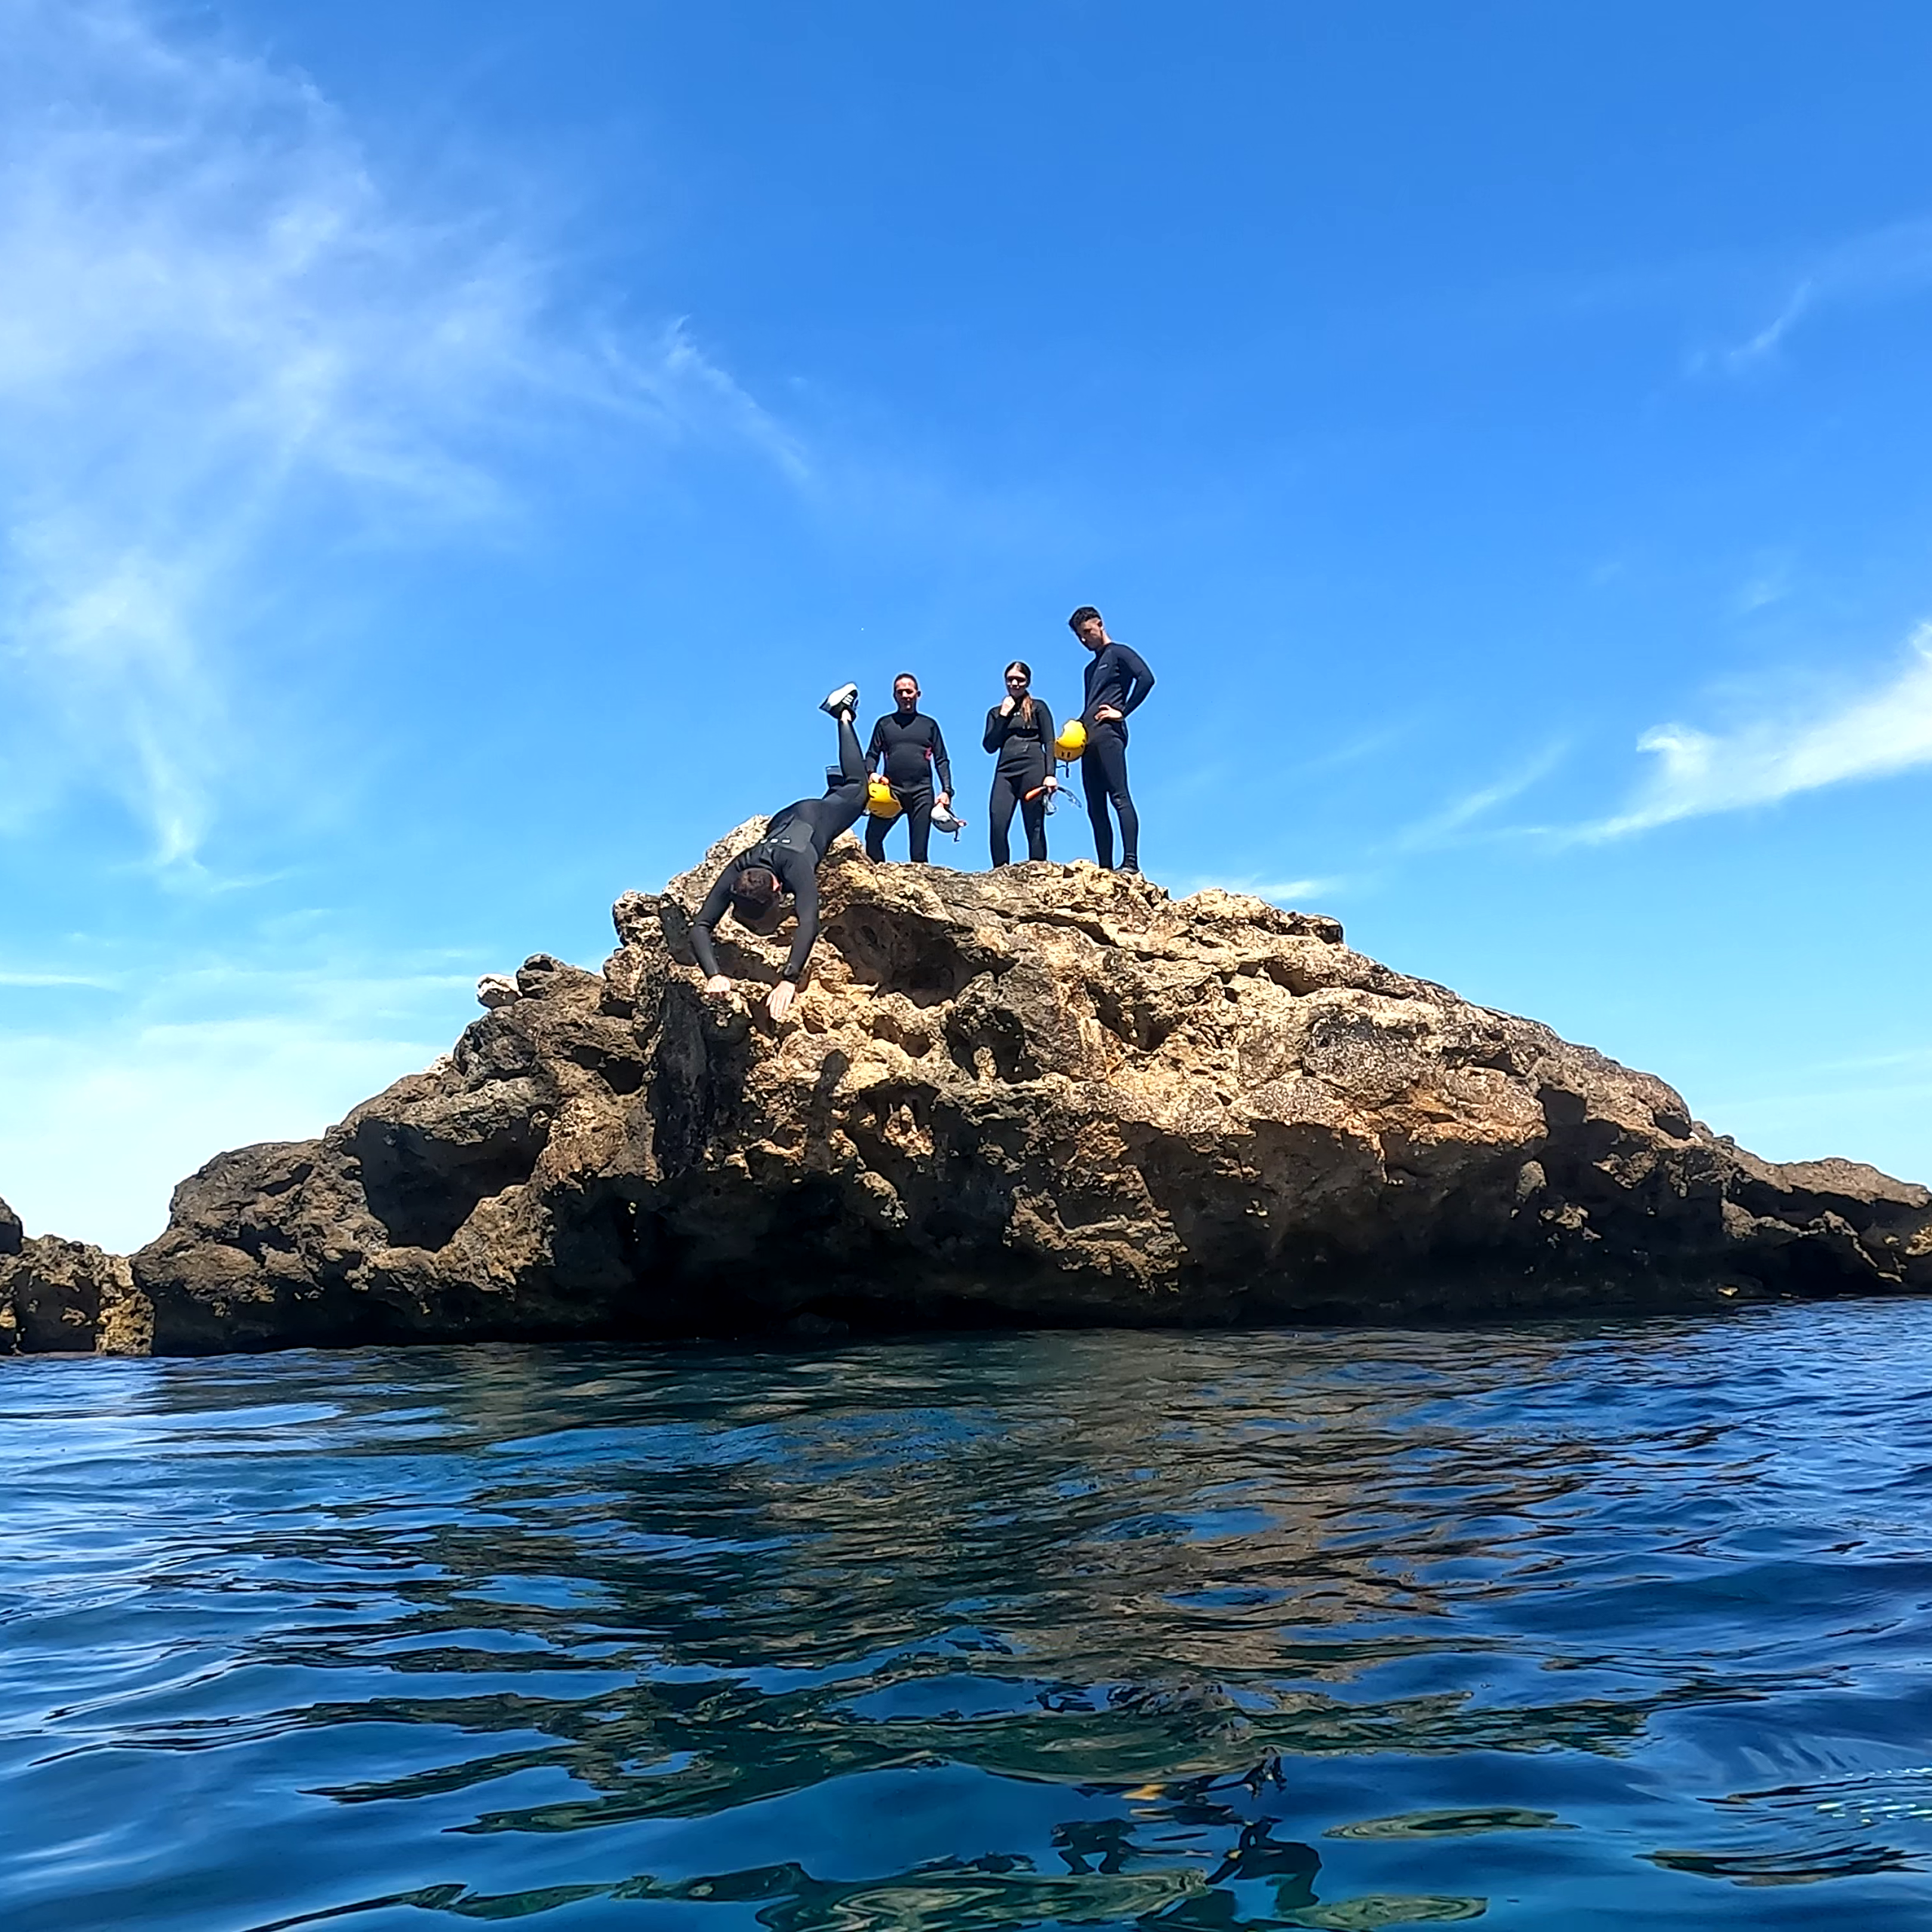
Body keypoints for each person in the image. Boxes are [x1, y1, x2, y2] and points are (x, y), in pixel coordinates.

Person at [690, 682, 867, 1022]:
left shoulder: (796, 866)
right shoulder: (738, 870)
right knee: (836, 797)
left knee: (858, 790)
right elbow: (700, 926)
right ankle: (833, 786)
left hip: (814, 817)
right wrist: (713, 975)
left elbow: (809, 921)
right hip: (784, 818)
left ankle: (842, 715)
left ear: (776, 888)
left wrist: (788, 979)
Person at [1069, 605, 1155, 874]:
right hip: (1088, 740)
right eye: (1079, 637)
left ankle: (1130, 862)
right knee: (1095, 806)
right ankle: (1105, 867)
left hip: (1110, 734)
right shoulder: (1089, 669)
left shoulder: (1119, 653)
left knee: (1119, 796)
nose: (1084, 640)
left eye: (1087, 632)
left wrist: (1123, 711)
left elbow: (1146, 679)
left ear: (1100, 625)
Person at [863, 673, 954, 863]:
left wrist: (946, 791)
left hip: (921, 792)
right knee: (872, 838)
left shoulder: (929, 725)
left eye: (909, 691)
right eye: (900, 692)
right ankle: (880, 880)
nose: (905, 695)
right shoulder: (884, 724)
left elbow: (942, 759)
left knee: (918, 852)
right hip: (891, 791)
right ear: (894, 696)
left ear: (918, 694)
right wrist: (871, 773)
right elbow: (872, 754)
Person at [982, 660, 1056, 866]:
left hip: (1033, 767)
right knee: (997, 822)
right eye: (1010, 679)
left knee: (1034, 824)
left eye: (1020, 680)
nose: (1015, 683)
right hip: (1005, 771)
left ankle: (1038, 871)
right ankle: (999, 872)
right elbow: (989, 746)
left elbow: (1050, 742)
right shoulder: (995, 712)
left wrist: (1051, 774)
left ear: (1028, 682)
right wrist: (1004, 716)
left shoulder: (1038, 707)